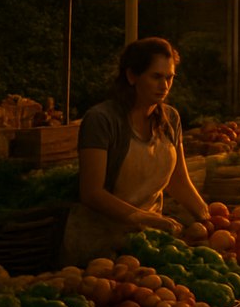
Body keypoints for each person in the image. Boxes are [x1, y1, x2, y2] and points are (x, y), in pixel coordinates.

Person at [62, 38, 208, 265]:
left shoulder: (170, 118)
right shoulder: (102, 120)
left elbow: (178, 182)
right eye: (156, 77)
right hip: (99, 246)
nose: (165, 85)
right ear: (132, 76)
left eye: (169, 77)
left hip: (147, 243)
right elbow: (92, 193)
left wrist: (208, 217)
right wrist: (145, 218)